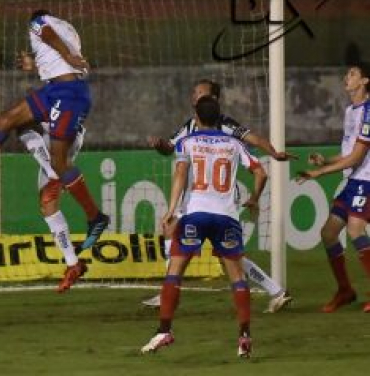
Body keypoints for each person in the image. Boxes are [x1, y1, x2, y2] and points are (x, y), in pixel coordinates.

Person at [0, 9, 109, 250]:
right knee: (8, 119)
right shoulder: (69, 29)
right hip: (56, 91)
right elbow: (63, 64)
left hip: (68, 96)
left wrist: (66, 56)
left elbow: (48, 35)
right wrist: (39, 62)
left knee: (60, 164)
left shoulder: (40, 22)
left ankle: (95, 217)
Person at [142, 79, 293, 313]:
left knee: (216, 251)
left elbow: (254, 138)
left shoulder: (226, 125)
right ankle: (276, 291)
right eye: (194, 92)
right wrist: (160, 143)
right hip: (195, 198)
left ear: (214, 99)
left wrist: (273, 152)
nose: (195, 96)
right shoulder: (189, 126)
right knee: (222, 253)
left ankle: (167, 295)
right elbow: (170, 148)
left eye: (201, 93)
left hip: (215, 198)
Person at [141, 96, 267, 357]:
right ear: (219, 117)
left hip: (196, 214)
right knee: (236, 277)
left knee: (175, 270)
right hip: (226, 216)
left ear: (196, 118)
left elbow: (180, 175)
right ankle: (244, 337)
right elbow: (260, 172)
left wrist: (171, 210)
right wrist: (254, 198)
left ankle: (164, 330)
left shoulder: (188, 141)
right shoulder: (234, 144)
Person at [297, 64, 370, 313]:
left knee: (356, 229)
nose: (346, 78)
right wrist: (326, 161)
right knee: (328, 233)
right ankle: (345, 290)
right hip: (353, 181)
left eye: (352, 74)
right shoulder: (351, 111)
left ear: (365, 81)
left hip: (367, 180)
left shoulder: (369, 112)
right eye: (347, 74)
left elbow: (358, 157)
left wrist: (320, 173)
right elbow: (348, 153)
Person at [19, 124, 87, 292]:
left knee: (18, 124)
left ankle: (53, 172)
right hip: (58, 137)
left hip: (62, 135)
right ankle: (73, 264)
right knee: (47, 206)